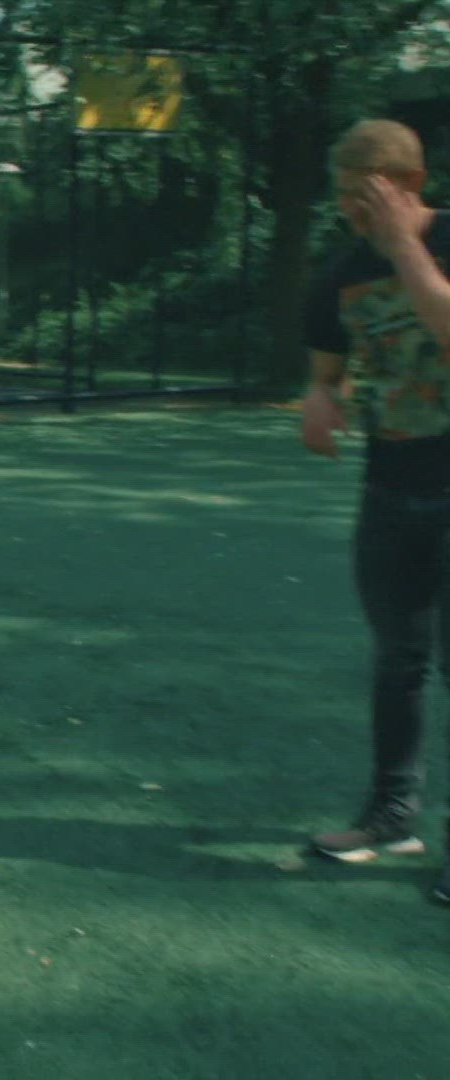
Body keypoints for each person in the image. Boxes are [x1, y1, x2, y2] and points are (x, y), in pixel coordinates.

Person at [302, 117, 450, 902]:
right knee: (398, 660)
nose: (346, 210)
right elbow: (329, 370)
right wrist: (322, 400)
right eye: (339, 194)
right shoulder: (338, 274)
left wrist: (405, 248)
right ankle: (391, 816)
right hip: (391, 488)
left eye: (360, 194)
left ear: (406, 185)